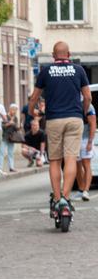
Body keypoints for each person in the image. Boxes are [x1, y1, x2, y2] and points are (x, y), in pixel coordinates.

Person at [27, 41, 92, 212]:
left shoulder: (46, 71)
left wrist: (32, 113)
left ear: (53, 56)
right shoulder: (79, 70)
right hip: (74, 119)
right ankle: (66, 197)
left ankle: (57, 199)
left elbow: (34, 97)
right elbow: (88, 97)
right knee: (71, 158)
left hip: (54, 119)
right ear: (69, 54)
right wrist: (84, 112)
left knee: (55, 160)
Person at [74, 104, 96, 201]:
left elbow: (93, 124)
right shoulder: (72, 103)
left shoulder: (88, 106)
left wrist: (90, 142)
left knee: (86, 164)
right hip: (74, 139)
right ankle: (81, 189)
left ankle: (86, 191)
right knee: (76, 165)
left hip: (85, 139)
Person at [0, 103, 21, 173]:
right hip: (5, 136)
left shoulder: (15, 118)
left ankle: (11, 167)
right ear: (10, 109)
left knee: (10, 153)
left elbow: (15, 128)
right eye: (13, 110)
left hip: (12, 137)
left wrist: (19, 127)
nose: (14, 112)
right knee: (2, 152)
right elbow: (2, 126)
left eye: (16, 110)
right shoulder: (5, 116)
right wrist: (9, 123)